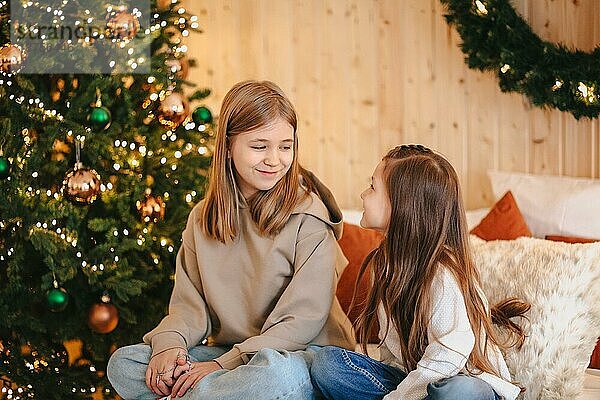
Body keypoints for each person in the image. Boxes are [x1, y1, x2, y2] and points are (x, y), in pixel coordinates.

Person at [107, 80, 355, 400]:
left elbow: (300, 324)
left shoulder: (309, 218)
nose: (274, 160)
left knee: (273, 378)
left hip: (297, 356)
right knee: (125, 363)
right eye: (259, 146)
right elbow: (189, 307)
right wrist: (169, 346)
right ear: (227, 146)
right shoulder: (202, 218)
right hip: (230, 356)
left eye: (285, 146)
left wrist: (223, 365)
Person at [310, 144, 529, 400]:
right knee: (327, 364)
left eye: (372, 187)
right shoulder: (387, 267)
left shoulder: (443, 274)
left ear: (404, 205)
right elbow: (392, 355)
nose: (363, 194)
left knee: (457, 392)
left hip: (461, 381)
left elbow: (449, 356)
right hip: (415, 383)